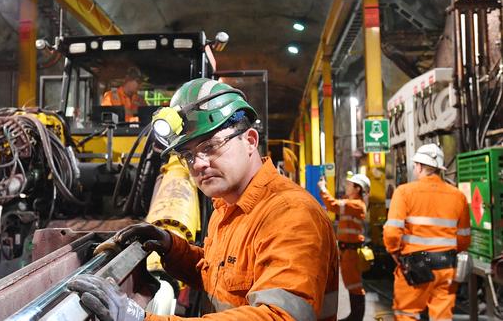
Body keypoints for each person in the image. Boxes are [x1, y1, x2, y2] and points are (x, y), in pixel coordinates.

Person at [68, 78, 339, 320]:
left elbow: (279, 317)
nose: (198, 164)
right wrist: (170, 246)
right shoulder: (226, 208)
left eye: (210, 146)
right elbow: (220, 277)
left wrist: (138, 319)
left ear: (250, 140)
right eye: (188, 155)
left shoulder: (291, 214)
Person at [383, 144, 471, 321]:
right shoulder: (458, 196)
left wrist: (394, 251)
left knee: (407, 314)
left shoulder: (404, 192)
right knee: (442, 317)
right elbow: (464, 238)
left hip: (415, 266)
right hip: (446, 266)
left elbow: (392, 232)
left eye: (416, 165)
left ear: (420, 167)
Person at [318, 173, 371, 321]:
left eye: (350, 185)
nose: (347, 187)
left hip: (351, 251)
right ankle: (354, 315)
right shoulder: (352, 204)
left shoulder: (356, 205)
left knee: (354, 284)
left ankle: (356, 316)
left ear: (358, 189)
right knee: (350, 283)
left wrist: (323, 189)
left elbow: (332, 205)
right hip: (347, 250)